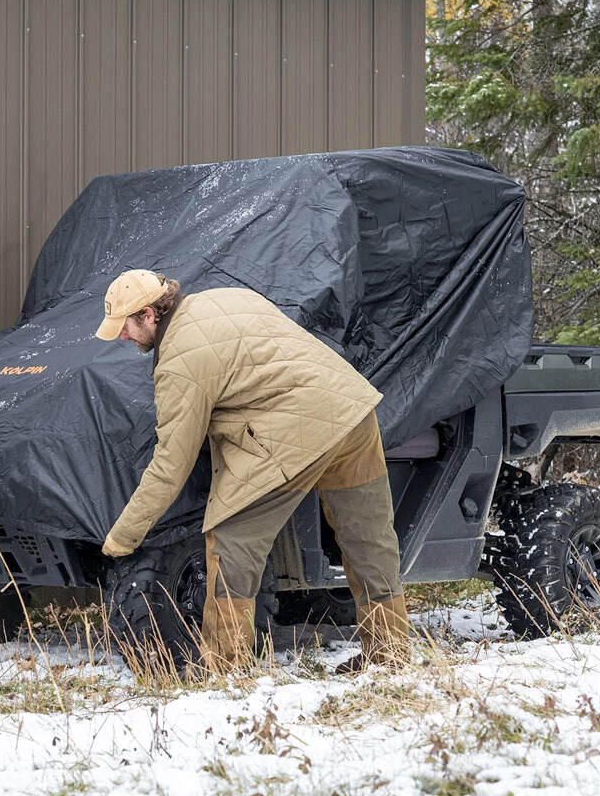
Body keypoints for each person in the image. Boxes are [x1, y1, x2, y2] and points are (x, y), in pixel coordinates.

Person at [96, 269, 409, 672]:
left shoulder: (179, 362)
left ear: (149, 314)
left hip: (296, 433)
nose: (121, 337)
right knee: (370, 541)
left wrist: (121, 539)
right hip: (351, 411)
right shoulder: (224, 297)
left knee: (231, 543)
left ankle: (226, 668)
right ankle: (390, 656)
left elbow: (171, 464)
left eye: (124, 326)